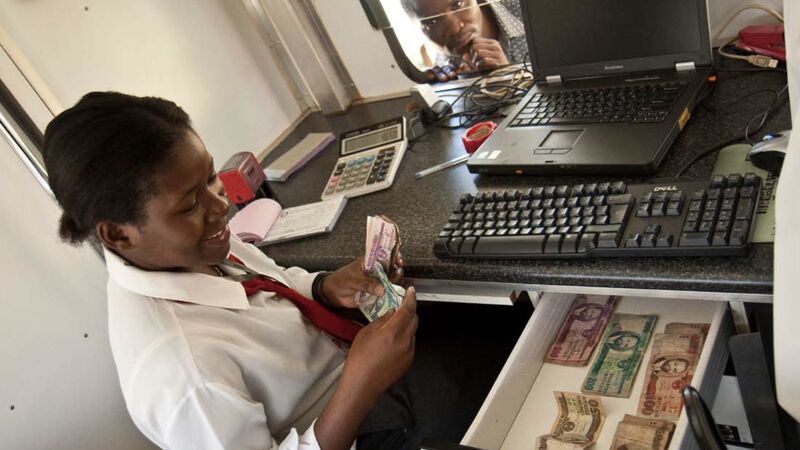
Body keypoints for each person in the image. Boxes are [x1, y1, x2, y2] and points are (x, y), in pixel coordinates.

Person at [41, 92, 419, 450]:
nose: (220, 205)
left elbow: (275, 284)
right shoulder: (180, 375)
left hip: (357, 370)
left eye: (209, 177)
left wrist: (324, 287)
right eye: (189, 205)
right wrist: (361, 386)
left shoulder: (191, 245)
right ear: (119, 233)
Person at [402, 0, 528, 80]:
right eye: (432, 21)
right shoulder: (446, 72)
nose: (455, 28)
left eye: (457, 5)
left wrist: (512, 76)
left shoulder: (532, 12)